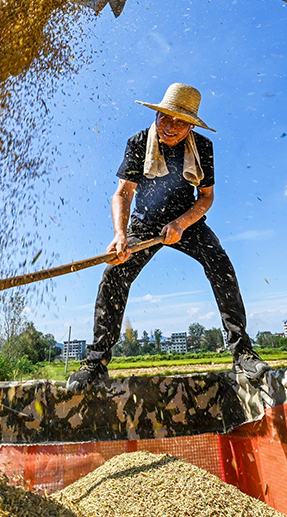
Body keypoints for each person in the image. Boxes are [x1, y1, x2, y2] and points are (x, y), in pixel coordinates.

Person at [66, 83, 270, 392]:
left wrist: (182, 223)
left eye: (179, 121)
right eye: (165, 118)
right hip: (145, 221)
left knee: (221, 264)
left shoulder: (202, 148)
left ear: (191, 125)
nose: (170, 127)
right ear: (157, 115)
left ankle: (242, 353)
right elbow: (123, 193)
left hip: (186, 219)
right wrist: (121, 235)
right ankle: (95, 363)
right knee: (114, 272)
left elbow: (206, 198)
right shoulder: (137, 143)